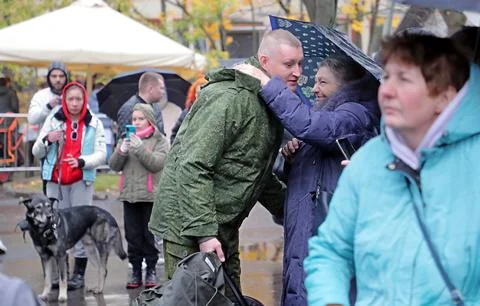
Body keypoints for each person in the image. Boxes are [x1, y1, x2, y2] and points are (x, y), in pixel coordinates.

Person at [304, 33, 478, 305]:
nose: (386, 91)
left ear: (445, 97)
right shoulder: (367, 162)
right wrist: (330, 300)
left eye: (404, 79)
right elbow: (331, 252)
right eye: (386, 77)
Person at [148, 29, 303, 297]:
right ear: (264, 61)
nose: (298, 72)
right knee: (191, 301)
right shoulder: (229, 97)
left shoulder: (267, 102)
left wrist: (294, 211)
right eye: (289, 64)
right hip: (187, 225)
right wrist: (205, 234)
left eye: (300, 63)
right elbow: (192, 165)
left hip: (222, 224)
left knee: (227, 299)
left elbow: (254, 172)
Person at [236, 54, 380, 305]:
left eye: (323, 82)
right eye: (315, 81)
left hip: (323, 232)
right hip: (302, 231)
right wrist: (289, 160)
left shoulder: (356, 114)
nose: (314, 89)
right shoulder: (322, 113)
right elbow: (305, 168)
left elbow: (314, 127)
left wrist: (268, 84)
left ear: (345, 87)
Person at [32, 82, 106, 290]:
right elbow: (37, 151)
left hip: (81, 180)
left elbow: (102, 154)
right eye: (70, 99)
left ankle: (78, 275)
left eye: (78, 99)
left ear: (84, 100)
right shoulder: (53, 119)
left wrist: (83, 161)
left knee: (79, 228)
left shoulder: (94, 122)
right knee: (53, 228)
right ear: (64, 100)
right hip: (55, 181)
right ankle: (56, 275)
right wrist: (47, 139)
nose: (74, 103)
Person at [109, 103, 169, 289]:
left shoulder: (159, 140)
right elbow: (113, 165)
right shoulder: (125, 139)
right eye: (134, 119)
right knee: (133, 236)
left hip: (150, 196)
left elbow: (157, 164)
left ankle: (150, 270)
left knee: (149, 236)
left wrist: (140, 148)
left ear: (149, 119)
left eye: (140, 119)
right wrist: (121, 151)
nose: (136, 122)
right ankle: (135, 271)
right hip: (130, 195)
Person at [117, 72, 166, 136]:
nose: (163, 92)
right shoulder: (128, 108)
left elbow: (160, 133)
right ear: (151, 89)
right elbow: (123, 138)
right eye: (161, 88)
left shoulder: (156, 106)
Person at [28, 61, 69, 126]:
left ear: (66, 78)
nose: (58, 79)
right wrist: (48, 107)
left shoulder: (74, 95)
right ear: (48, 78)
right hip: (45, 135)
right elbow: (32, 120)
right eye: (54, 76)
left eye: (61, 76)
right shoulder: (40, 95)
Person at [170, 76, 207, 144]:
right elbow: (174, 135)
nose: (201, 95)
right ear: (194, 94)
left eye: (204, 91)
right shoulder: (187, 113)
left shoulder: (217, 109)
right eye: (198, 92)